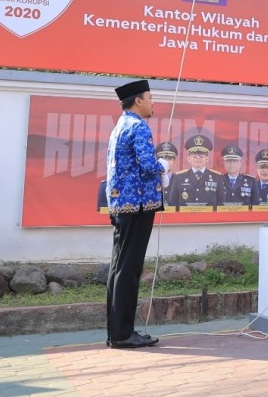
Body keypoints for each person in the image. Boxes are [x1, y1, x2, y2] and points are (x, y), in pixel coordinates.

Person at [104, 79, 167, 349]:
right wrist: (163, 165)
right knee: (129, 270)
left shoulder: (120, 125)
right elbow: (148, 163)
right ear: (138, 100)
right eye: (150, 97)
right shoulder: (139, 126)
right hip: (138, 206)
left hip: (122, 206)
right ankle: (123, 334)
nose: (153, 103)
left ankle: (117, 331)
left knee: (119, 269)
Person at [168, 134, 220, 212]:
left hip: (209, 221)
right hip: (185, 220)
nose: (198, 158)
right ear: (189, 159)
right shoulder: (179, 178)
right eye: (194, 155)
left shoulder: (217, 177)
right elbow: (173, 204)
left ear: (207, 159)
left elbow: (221, 204)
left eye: (201, 155)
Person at [217, 145, 256, 212]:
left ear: (240, 163)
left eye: (235, 161)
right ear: (224, 163)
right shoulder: (218, 180)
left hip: (244, 219)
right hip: (223, 218)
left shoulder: (251, 182)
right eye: (228, 161)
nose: (231, 164)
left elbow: (255, 205)